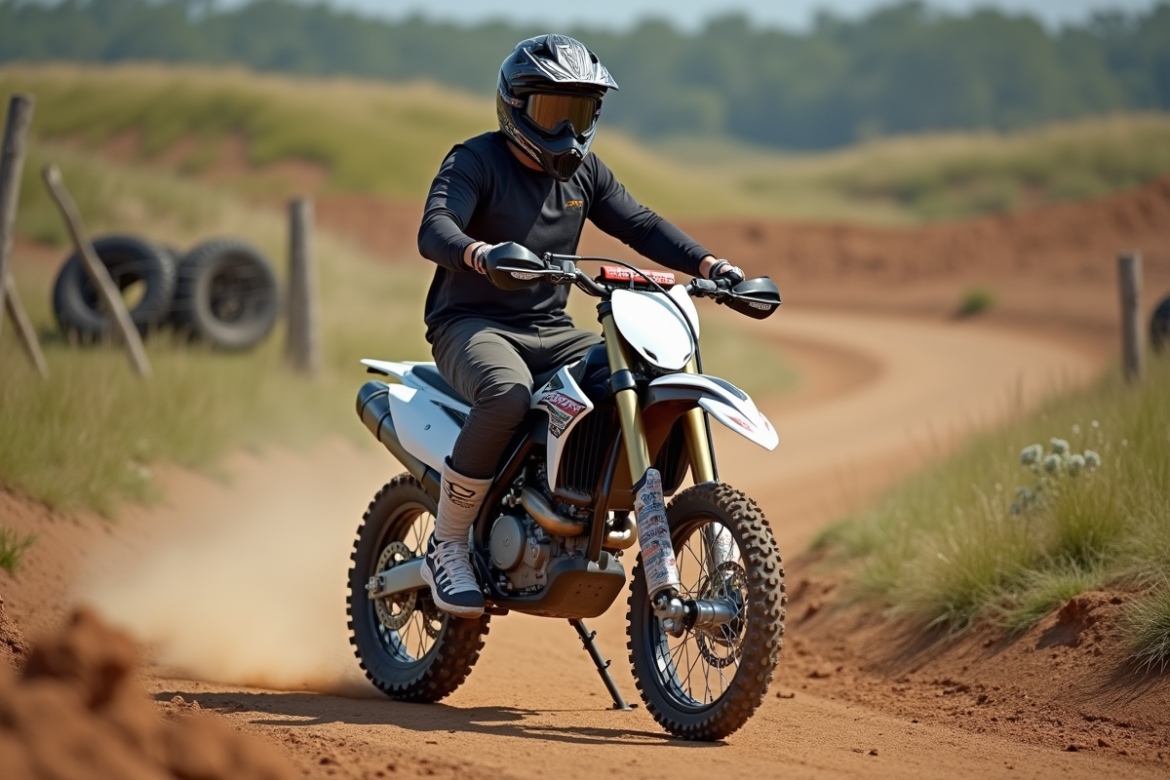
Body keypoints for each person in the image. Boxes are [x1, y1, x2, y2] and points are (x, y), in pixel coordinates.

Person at [417, 33, 746, 618]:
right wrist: (479, 254)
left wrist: (711, 267)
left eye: (582, 112)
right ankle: (448, 545)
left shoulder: (585, 172)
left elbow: (640, 225)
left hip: (550, 326)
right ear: (514, 105)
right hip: (472, 325)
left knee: (636, 378)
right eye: (552, 110)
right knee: (506, 394)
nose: (568, 130)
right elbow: (435, 226)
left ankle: (575, 506)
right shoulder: (475, 159)